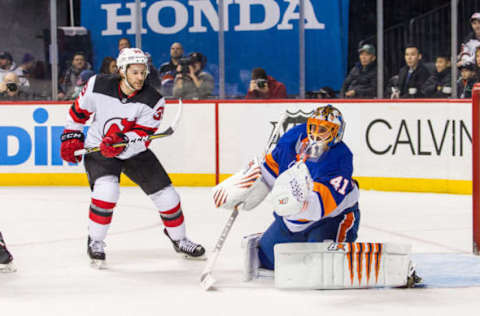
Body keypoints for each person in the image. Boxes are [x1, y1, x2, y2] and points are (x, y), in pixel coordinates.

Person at [59, 48, 205, 267]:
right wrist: (71, 137)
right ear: (121, 71)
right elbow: (78, 114)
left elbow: (142, 138)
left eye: (143, 72)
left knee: (168, 197)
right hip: (99, 147)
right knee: (107, 192)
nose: (140, 77)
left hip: (133, 151)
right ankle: (96, 241)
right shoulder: (97, 85)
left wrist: (120, 142)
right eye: (134, 72)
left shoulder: (153, 100)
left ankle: (180, 239)